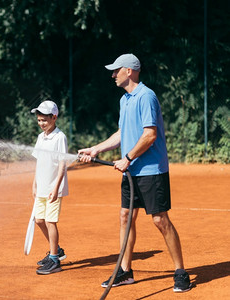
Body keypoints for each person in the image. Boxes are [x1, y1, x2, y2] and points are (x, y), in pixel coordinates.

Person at [78, 54, 192, 292]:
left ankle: (181, 272)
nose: (112, 75)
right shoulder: (125, 99)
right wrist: (96, 148)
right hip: (131, 170)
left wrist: (127, 158)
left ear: (129, 71)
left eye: (116, 70)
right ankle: (125, 271)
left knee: (160, 220)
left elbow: (150, 135)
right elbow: (122, 133)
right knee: (125, 216)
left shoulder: (146, 96)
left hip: (151, 169)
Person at [31, 100, 69, 275]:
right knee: (39, 220)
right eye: (39, 120)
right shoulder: (41, 137)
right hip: (42, 187)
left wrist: (56, 186)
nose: (41, 124)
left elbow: (63, 164)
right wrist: (35, 182)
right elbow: (38, 161)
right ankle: (57, 250)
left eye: (44, 120)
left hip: (54, 187)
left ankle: (54, 259)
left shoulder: (60, 137)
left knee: (50, 221)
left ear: (54, 118)